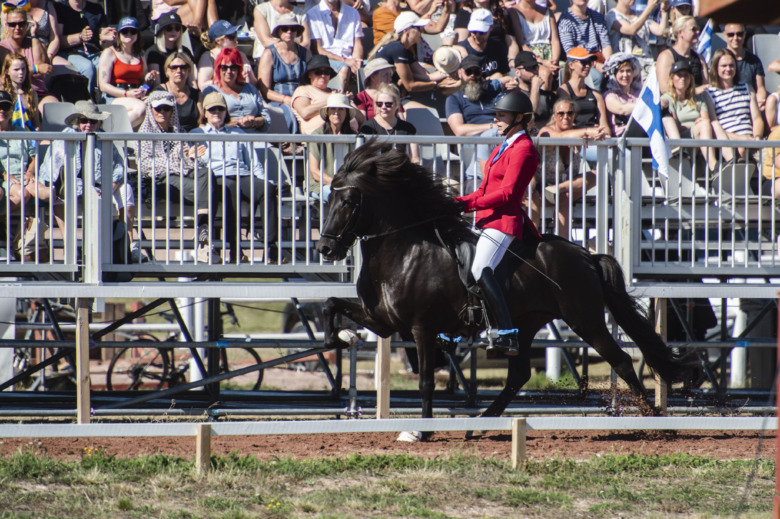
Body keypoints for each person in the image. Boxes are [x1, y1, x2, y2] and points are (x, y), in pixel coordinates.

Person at [454, 90, 538, 355]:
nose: (497, 120)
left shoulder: (523, 148)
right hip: (488, 219)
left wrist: (468, 205)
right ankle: (459, 327)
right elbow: (483, 190)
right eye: (497, 115)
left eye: (502, 116)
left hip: (504, 222)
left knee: (480, 268)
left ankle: (507, 333)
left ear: (518, 118)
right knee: (458, 262)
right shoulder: (503, 146)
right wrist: (458, 201)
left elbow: (507, 195)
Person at [39, 100, 141, 261]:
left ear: (98, 122)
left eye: (92, 121)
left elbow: (119, 167)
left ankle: (127, 246)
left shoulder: (104, 138)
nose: (88, 125)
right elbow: (52, 171)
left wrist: (110, 186)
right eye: (84, 120)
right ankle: (70, 247)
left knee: (126, 189)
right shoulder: (63, 139)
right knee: (58, 195)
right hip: (71, 187)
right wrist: (79, 188)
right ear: (77, 121)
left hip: (103, 185)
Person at [189, 91, 278, 263]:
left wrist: (264, 180)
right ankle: (235, 249)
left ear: (226, 112)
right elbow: (194, 166)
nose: (216, 112)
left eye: (220, 109)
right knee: (230, 187)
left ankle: (271, 247)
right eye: (212, 109)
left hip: (242, 175)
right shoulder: (196, 133)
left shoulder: (238, 134)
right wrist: (193, 158)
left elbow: (253, 163)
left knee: (266, 188)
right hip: (217, 177)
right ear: (205, 112)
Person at [138, 90, 216, 263]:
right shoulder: (144, 134)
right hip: (160, 182)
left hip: (179, 178)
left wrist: (192, 158)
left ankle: (203, 234)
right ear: (151, 109)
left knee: (206, 173)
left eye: (167, 108)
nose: (162, 112)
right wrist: (178, 161)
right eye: (158, 108)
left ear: (173, 111)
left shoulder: (179, 132)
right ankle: (204, 240)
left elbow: (187, 167)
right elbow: (146, 166)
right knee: (208, 190)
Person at [536, 98, 601, 240]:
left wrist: (598, 133)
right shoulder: (546, 131)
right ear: (554, 116)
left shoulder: (577, 134)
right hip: (542, 191)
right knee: (564, 197)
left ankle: (559, 188)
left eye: (569, 113)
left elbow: (604, 138)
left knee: (597, 175)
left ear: (574, 116)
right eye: (561, 113)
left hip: (565, 189)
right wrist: (587, 131)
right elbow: (560, 137)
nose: (565, 117)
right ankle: (563, 241)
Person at [372, 11, 456, 94]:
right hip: (382, 97)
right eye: (419, 28)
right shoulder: (398, 48)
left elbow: (427, 76)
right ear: (406, 31)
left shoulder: (406, 50)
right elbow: (410, 86)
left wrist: (451, 71)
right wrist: (437, 85)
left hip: (391, 95)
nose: (422, 32)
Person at [97, 17, 158, 127]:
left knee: (157, 105)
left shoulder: (141, 54)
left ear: (137, 34)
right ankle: (112, 132)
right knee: (140, 108)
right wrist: (126, 94)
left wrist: (148, 79)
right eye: (125, 31)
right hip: (114, 97)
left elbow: (143, 82)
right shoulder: (109, 53)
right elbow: (103, 86)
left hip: (136, 95)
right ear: (119, 34)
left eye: (133, 31)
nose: (129, 34)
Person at [705, 48, 764, 159]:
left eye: (731, 65)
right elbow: (714, 126)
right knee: (741, 151)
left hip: (751, 141)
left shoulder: (747, 88)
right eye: (724, 66)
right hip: (728, 143)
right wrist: (740, 138)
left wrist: (756, 137)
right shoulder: (710, 93)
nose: (728, 69)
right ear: (716, 68)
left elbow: (757, 119)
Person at [660, 60, 721, 167]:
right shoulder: (668, 98)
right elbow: (675, 127)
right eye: (679, 75)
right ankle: (713, 166)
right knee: (703, 126)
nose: (683, 78)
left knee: (705, 125)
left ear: (690, 79)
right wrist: (693, 125)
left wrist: (693, 125)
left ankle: (713, 165)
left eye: (686, 75)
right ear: (672, 78)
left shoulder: (698, 98)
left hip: (699, 136)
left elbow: (705, 120)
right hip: (681, 139)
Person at [258, 14, 310, 135]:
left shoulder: (304, 53)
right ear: (279, 31)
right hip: (278, 100)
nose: (289, 32)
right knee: (289, 113)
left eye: (293, 29)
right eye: (285, 28)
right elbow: (264, 90)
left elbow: (309, 80)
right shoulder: (269, 53)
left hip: (301, 98)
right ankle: (292, 146)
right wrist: (286, 99)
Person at [54, 0, 116, 97]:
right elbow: (58, 41)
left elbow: (101, 40)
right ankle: (87, 102)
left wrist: (103, 38)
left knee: (106, 64)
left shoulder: (96, 9)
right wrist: (80, 37)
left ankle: (105, 100)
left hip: (93, 51)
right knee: (87, 67)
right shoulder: (60, 7)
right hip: (70, 53)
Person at [203, 48, 270, 134]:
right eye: (224, 68)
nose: (229, 71)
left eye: (233, 67)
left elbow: (266, 119)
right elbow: (206, 120)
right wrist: (235, 122)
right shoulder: (211, 91)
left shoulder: (250, 89)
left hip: (255, 138)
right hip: (226, 139)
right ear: (218, 69)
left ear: (239, 69)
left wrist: (254, 121)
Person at [0, 7, 57, 109]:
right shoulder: (2, 48)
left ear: (27, 25)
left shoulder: (36, 43)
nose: (17, 28)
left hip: (39, 92)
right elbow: (5, 76)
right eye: (12, 25)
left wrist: (34, 35)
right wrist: (36, 69)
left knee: (55, 108)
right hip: (12, 94)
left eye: (21, 24)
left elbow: (45, 67)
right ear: (6, 26)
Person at [292, 54, 361, 134]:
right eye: (318, 72)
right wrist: (333, 100)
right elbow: (305, 112)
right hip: (316, 139)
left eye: (326, 72)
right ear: (309, 74)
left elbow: (361, 119)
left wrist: (346, 102)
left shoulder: (338, 92)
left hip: (346, 138)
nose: (323, 75)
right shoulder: (303, 90)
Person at [308, 93, 357, 201]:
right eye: (333, 109)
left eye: (341, 109)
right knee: (340, 197)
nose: (336, 112)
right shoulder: (317, 135)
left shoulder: (354, 137)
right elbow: (315, 172)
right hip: (320, 186)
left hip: (348, 186)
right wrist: (339, 182)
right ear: (327, 112)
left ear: (346, 113)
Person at [306, 0, 363, 92]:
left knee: (375, 68)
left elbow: (357, 42)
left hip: (350, 58)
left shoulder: (353, 12)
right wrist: (346, 61)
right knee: (344, 69)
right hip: (327, 60)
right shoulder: (312, 14)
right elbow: (318, 49)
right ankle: (338, 102)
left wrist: (356, 61)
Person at [557, 0, 613, 91]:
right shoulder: (565, 20)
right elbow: (570, 52)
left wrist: (609, 65)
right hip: (579, 61)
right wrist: (594, 65)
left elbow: (605, 44)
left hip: (597, 58)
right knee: (597, 77)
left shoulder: (597, 17)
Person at [359, 84, 420, 164]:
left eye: (388, 104)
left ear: (397, 104)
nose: (383, 107)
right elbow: (363, 159)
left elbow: (415, 160)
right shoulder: (368, 127)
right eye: (379, 104)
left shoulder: (408, 128)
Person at [606, 0, 668, 77]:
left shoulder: (639, 15)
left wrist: (664, 11)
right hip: (626, 69)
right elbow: (630, 30)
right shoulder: (612, 15)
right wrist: (649, 8)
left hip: (646, 66)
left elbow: (660, 31)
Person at [556, 47, 610, 135]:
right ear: (571, 65)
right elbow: (566, 124)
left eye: (590, 63)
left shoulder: (596, 95)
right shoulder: (564, 91)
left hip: (594, 138)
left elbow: (605, 126)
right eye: (584, 62)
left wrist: (603, 134)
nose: (588, 66)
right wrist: (589, 131)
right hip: (575, 141)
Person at [512, 0, 560, 91]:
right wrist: (543, 62)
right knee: (545, 73)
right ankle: (543, 103)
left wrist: (554, 61)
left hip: (550, 57)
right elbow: (521, 44)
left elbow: (555, 40)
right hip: (531, 57)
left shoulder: (548, 12)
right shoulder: (514, 12)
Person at [197, 20, 256, 91]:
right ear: (218, 41)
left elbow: (254, 84)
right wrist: (229, 80)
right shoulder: (209, 56)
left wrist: (249, 73)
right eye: (231, 37)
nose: (236, 40)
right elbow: (202, 85)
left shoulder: (241, 55)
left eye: (236, 35)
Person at [456, 9, 512, 82]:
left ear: (491, 28)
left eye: (482, 32)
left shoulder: (498, 47)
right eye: (474, 31)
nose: (477, 35)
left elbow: (504, 75)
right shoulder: (461, 49)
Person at [656, 15, 707, 94]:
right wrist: (694, 92)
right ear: (680, 32)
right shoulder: (666, 57)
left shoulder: (700, 58)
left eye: (698, 29)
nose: (698, 32)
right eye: (693, 29)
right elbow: (665, 89)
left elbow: (706, 87)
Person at [722, 22, 768, 111]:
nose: (735, 38)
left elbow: (760, 87)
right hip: (726, 105)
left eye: (739, 34)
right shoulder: (719, 60)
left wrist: (760, 100)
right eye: (731, 35)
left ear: (745, 34)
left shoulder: (754, 60)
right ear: (725, 35)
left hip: (750, 104)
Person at [154, 52, 202, 132]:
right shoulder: (159, 92)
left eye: (183, 67)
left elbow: (201, 121)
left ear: (189, 70)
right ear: (167, 71)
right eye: (174, 68)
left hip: (193, 137)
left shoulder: (196, 95)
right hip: (168, 137)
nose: (178, 71)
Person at [144, 12, 195, 85]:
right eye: (169, 28)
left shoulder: (185, 51)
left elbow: (192, 80)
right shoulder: (153, 52)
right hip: (162, 92)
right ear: (162, 31)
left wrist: (194, 94)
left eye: (177, 28)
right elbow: (157, 84)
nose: (173, 31)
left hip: (185, 91)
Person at [252, 0, 309, 64]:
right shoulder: (261, 10)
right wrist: (288, 49)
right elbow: (266, 41)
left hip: (296, 60)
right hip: (267, 60)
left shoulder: (301, 13)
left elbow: (306, 43)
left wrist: (291, 54)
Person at [603, 53, 641, 137]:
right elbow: (622, 109)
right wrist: (647, 105)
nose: (625, 75)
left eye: (628, 71)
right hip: (621, 137)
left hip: (640, 135)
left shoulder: (639, 93)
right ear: (614, 74)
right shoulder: (610, 95)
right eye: (621, 71)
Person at [513, 50, 554, 127]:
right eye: (529, 68)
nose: (534, 71)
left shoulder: (547, 95)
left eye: (536, 67)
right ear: (517, 72)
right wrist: (535, 87)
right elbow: (530, 116)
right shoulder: (514, 95)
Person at [2, 53, 40, 129]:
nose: (21, 72)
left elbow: (36, 124)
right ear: (7, 71)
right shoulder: (2, 94)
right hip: (9, 137)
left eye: (23, 69)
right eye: (16, 69)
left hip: (28, 136)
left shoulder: (32, 93)